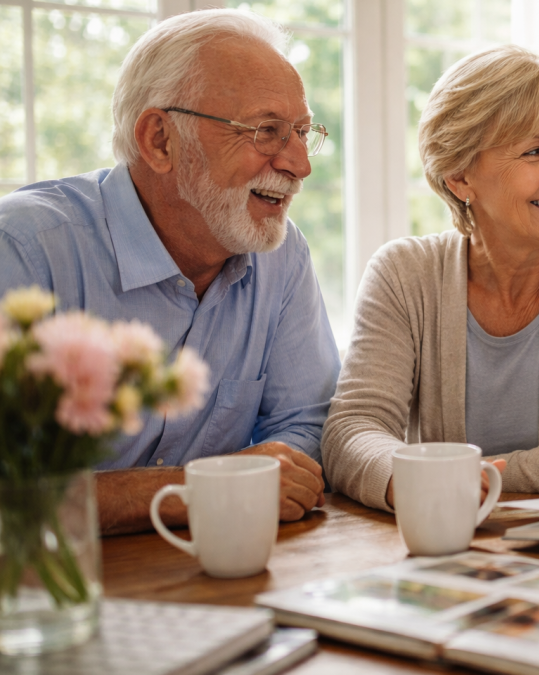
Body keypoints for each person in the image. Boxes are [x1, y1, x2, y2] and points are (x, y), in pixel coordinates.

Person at [0, 9, 341, 534]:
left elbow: (307, 424)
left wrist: (264, 475)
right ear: (160, 140)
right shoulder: (22, 252)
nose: (300, 163)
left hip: (220, 573)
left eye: (300, 132)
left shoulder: (282, 253)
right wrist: (198, 489)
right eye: (267, 131)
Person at [323, 45, 539, 512]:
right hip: (445, 549)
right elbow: (352, 430)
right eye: (536, 151)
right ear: (459, 178)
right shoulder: (403, 274)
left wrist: (470, 479)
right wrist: (425, 485)